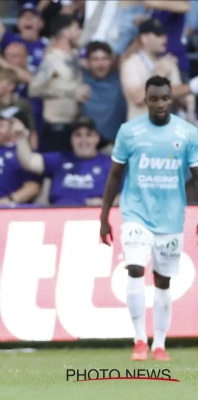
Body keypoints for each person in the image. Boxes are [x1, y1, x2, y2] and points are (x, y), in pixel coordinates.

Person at [100, 75, 198, 362]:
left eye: (165, 98)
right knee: (134, 268)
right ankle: (140, 339)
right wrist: (104, 216)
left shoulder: (188, 133)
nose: (160, 104)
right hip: (136, 213)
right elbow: (115, 176)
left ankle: (160, 344)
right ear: (145, 100)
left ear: (171, 99)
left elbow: (197, 177)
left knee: (163, 280)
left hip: (171, 217)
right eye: (154, 99)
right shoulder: (129, 132)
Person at [16, 116, 112, 206]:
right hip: (59, 213)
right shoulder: (60, 159)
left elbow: (120, 197)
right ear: (71, 139)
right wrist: (20, 136)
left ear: (97, 138)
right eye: (78, 135)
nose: (83, 140)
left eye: (88, 135)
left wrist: (104, 202)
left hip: (93, 214)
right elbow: (29, 162)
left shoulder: (108, 165)